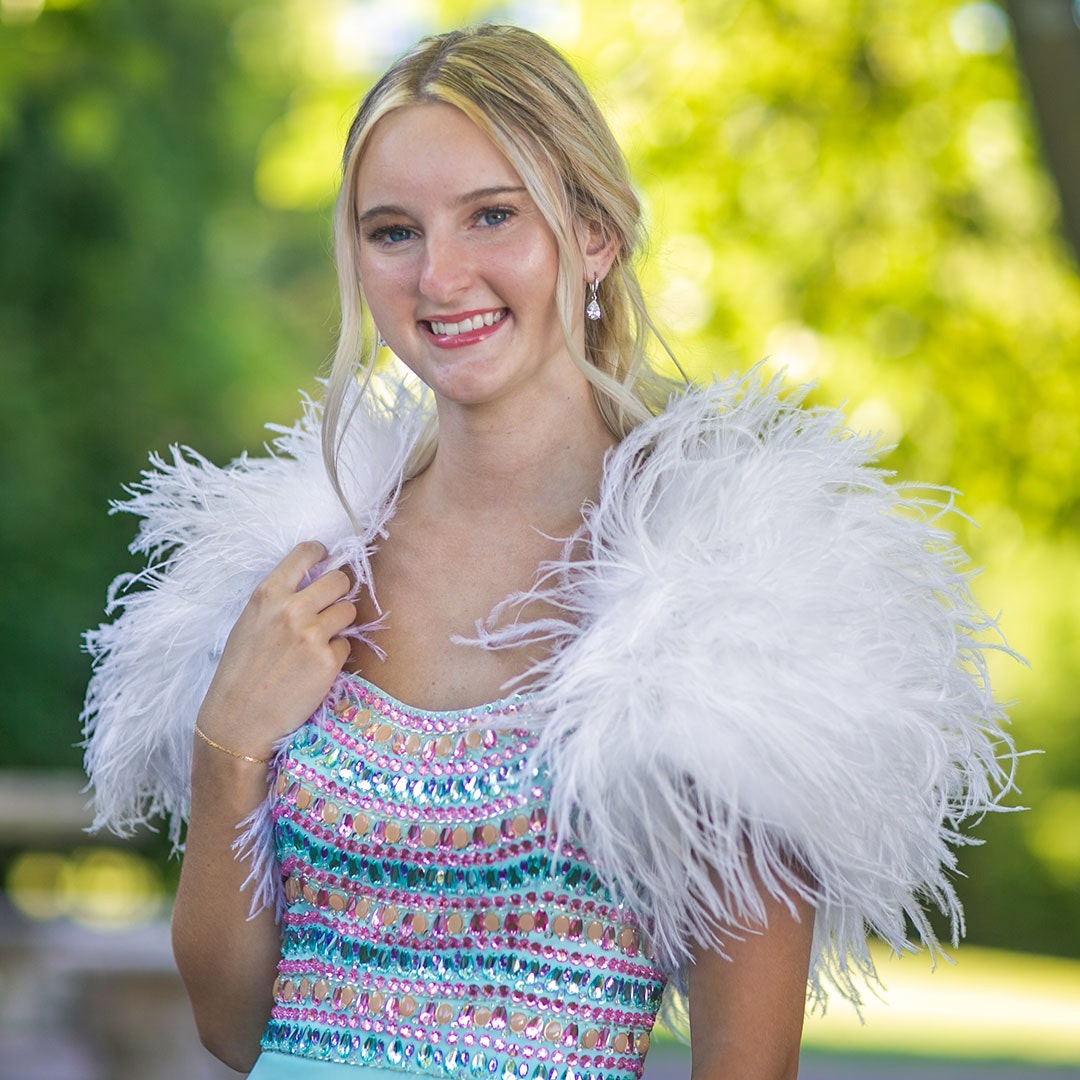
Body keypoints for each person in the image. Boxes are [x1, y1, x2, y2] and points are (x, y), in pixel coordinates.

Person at [81, 23, 1018, 1080]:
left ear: (594, 235)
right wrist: (227, 749)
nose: (441, 276)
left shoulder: (726, 596)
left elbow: (747, 1068)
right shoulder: (304, 580)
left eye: (492, 215)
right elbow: (231, 1023)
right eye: (394, 231)